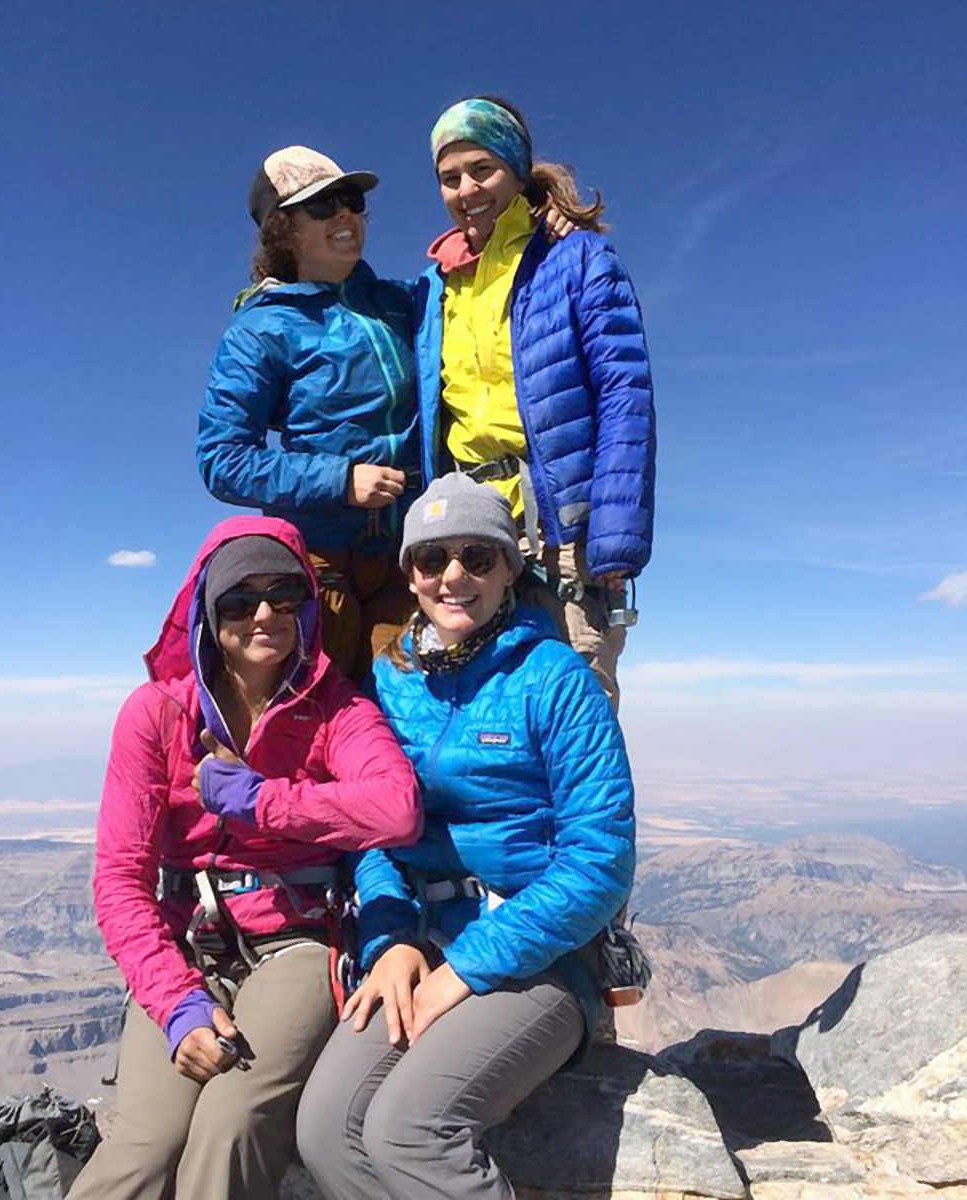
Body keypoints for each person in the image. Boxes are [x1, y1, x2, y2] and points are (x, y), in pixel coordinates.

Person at [296, 473, 635, 1199]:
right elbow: (371, 831)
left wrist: (469, 965)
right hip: (419, 941)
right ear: (408, 573)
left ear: (511, 567)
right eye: (432, 558)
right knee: (325, 1130)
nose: (453, 576)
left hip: (538, 956)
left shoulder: (554, 680)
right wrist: (388, 943)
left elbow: (599, 862)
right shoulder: (389, 684)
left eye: (478, 557)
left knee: (408, 1131)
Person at [67, 516, 420, 1200]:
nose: (264, 615)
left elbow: (395, 809)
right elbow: (119, 881)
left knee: (231, 1126)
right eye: (239, 600)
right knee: (145, 1147)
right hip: (182, 947)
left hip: (294, 940)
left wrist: (262, 802)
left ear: (309, 607)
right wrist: (177, 1005)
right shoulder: (157, 715)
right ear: (207, 613)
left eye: (284, 595)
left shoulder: (335, 711)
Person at [415, 96, 657, 708]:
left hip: (560, 533)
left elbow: (624, 393)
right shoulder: (439, 286)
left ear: (518, 171)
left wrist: (615, 537)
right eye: (450, 178)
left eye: (483, 170)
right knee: (482, 720)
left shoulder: (574, 259)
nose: (467, 190)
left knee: (575, 713)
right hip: (469, 539)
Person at [197, 146, 421, 682]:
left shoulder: (402, 302)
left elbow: (475, 282)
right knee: (321, 719)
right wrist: (341, 479)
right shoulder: (259, 330)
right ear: (284, 231)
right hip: (325, 566)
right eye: (321, 206)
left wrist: (540, 216)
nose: (345, 215)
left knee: (415, 717)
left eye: (350, 201)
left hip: (412, 556)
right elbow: (221, 460)